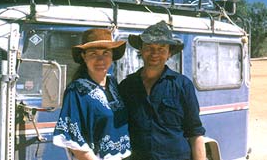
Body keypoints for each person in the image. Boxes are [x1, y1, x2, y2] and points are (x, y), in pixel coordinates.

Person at [119, 21, 206, 160]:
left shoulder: (183, 85)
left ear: (169, 53)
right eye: (149, 47)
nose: (155, 53)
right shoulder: (126, 86)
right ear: (140, 50)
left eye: (161, 48)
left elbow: (195, 132)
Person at [53, 28, 131, 160]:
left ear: (112, 56)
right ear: (84, 57)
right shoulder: (77, 90)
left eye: (105, 53)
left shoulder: (112, 83)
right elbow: (73, 140)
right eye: (93, 54)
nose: (100, 60)